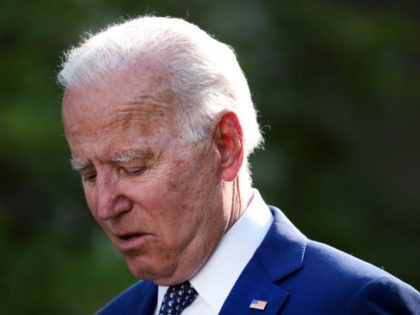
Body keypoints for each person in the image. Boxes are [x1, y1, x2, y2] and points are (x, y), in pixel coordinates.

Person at [58, 15, 420, 315]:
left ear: (225, 146)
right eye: (89, 174)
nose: (106, 206)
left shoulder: (353, 304)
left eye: (132, 167)